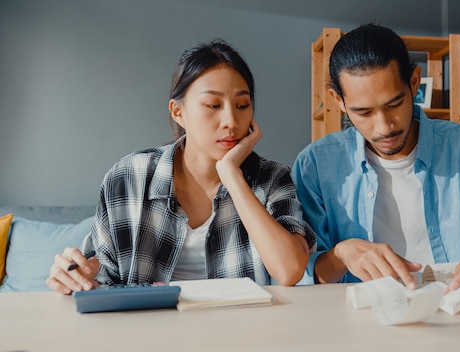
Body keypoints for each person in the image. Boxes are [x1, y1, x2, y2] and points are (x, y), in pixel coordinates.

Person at [291, 24, 460, 299]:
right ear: (339, 101)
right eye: (364, 112)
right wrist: (341, 255)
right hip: (361, 327)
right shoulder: (316, 165)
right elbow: (299, 273)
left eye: (394, 104)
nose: (383, 127)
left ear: (414, 82)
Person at [46, 39, 315, 295]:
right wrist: (76, 275)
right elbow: (101, 275)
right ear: (178, 112)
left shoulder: (272, 178)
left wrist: (232, 175)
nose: (231, 121)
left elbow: (289, 270)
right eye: (213, 105)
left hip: (239, 334)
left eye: (242, 105)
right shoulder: (129, 176)